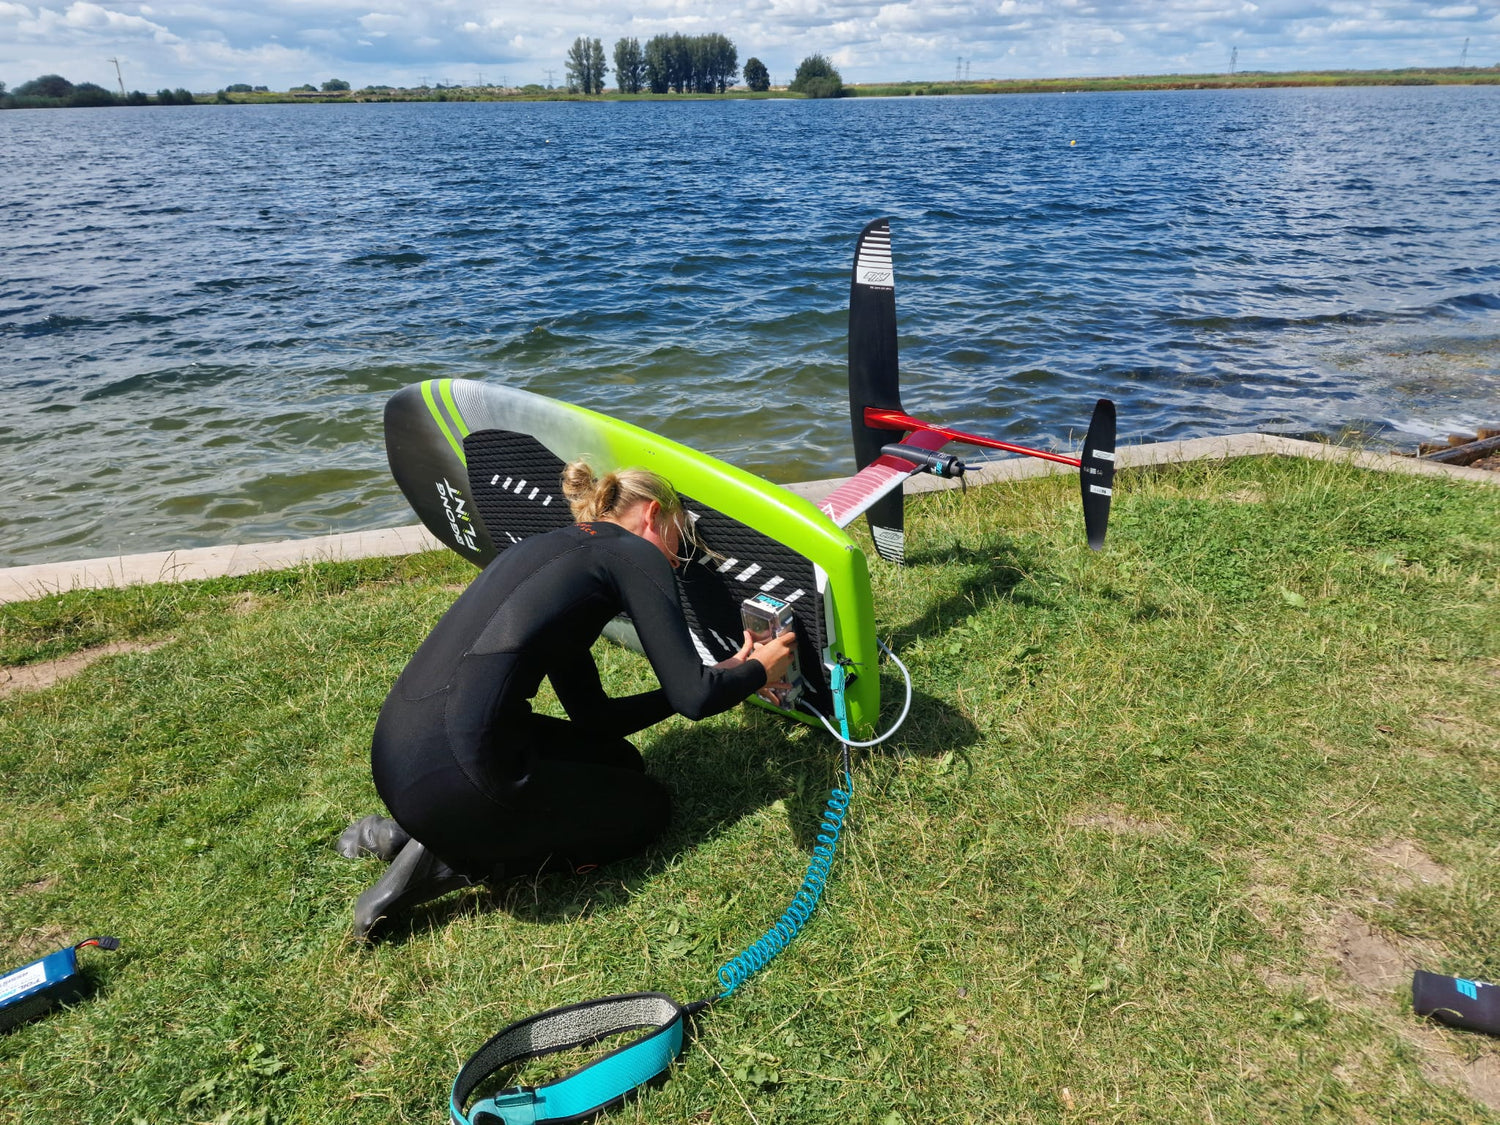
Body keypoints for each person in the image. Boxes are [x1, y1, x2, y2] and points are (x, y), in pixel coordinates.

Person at [341, 460, 798, 938]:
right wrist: (757, 670)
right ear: (653, 515)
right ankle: (440, 865)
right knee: (646, 812)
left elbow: (596, 719)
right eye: (679, 538)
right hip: (462, 774)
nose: (677, 559)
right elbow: (696, 700)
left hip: (401, 754)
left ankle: (397, 831)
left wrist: (718, 677)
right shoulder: (635, 553)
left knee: (617, 761)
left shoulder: (553, 551)